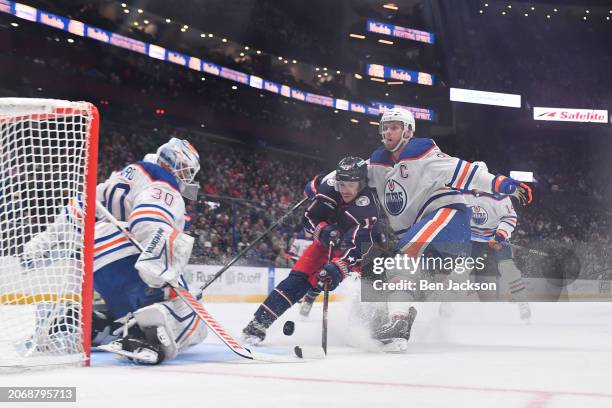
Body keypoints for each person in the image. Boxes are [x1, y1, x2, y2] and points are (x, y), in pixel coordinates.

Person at [22, 138, 207, 364]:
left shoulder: (127, 173)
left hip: (94, 265)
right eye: (186, 169)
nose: (188, 176)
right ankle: (145, 338)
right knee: (193, 314)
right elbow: (149, 221)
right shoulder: (164, 184)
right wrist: (161, 270)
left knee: (128, 314)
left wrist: (43, 242)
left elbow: (78, 208)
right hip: (126, 263)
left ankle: (85, 325)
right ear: (172, 162)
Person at [364, 107, 533, 345]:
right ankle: (397, 319)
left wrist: (505, 185)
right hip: (434, 237)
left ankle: (400, 320)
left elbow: (464, 171)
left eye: (395, 127)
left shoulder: (422, 153)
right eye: (386, 127)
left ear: (408, 131)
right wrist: (323, 185)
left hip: (447, 219)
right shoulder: (378, 162)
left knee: (403, 260)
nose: (388, 132)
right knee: (404, 277)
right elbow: (349, 174)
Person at [242, 157, 381, 345]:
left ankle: (369, 328)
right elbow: (309, 218)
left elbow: (361, 244)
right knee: (298, 280)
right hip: (327, 242)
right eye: (342, 184)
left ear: (361, 183)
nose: (345, 190)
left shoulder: (369, 204)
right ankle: (258, 323)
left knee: (368, 282)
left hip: (361, 248)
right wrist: (322, 229)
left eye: (350, 185)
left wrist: (342, 266)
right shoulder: (329, 188)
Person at [464, 161, 531, 320]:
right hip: (473, 238)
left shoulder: (499, 195)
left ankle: (522, 303)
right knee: (460, 270)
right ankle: (447, 305)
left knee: (507, 268)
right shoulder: (462, 192)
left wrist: (500, 236)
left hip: (495, 236)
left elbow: (509, 217)